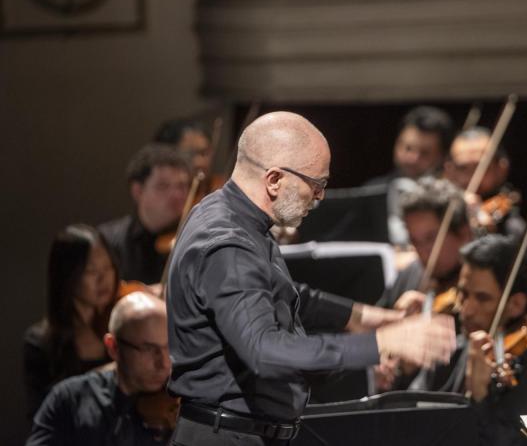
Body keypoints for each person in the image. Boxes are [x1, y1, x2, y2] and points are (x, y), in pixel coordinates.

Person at [166, 111, 456, 445]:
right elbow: (264, 348)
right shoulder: (229, 243)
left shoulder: (231, 215)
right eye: (315, 185)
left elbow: (283, 294)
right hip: (227, 436)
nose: (319, 198)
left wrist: (371, 319)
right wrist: (383, 343)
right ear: (274, 179)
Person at [411, 234, 527, 446]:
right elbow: (412, 417)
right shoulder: (454, 348)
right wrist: (403, 371)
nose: (466, 310)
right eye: (463, 294)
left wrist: (479, 397)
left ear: (515, 304)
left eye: (482, 298)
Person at [27, 291, 173, 445]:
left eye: (170, 347)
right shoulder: (69, 399)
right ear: (114, 347)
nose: (164, 363)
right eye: (148, 349)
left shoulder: (184, 400)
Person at [23, 225, 119, 420]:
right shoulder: (41, 342)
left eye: (108, 267)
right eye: (91, 271)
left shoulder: (121, 325)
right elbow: (44, 414)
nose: (104, 279)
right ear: (68, 275)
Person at [98, 144, 190, 285]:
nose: (177, 195)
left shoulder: (194, 237)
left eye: (182, 186)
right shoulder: (109, 241)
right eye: (163, 186)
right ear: (138, 191)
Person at [377, 176, 474, 309]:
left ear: (463, 234)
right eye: (414, 240)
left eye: (430, 239)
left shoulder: (481, 283)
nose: (422, 252)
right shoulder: (411, 272)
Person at [365, 106, 455, 245]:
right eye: (408, 148)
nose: (413, 158)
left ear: (442, 157)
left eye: (425, 153)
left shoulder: (450, 196)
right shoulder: (372, 191)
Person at [444, 127, 526, 242]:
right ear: (449, 169)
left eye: (482, 167)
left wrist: (488, 235)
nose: (472, 176)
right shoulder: (437, 205)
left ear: (502, 168)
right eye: (462, 168)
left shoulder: (511, 227)